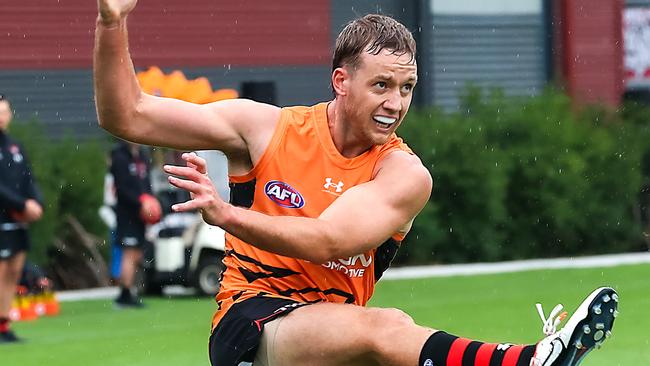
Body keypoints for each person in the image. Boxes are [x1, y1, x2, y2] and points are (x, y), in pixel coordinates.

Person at [93, 1, 619, 365]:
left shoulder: (405, 174)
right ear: (341, 81)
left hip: (336, 337)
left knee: (391, 335)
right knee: (388, 329)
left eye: (408, 87)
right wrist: (110, 22)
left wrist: (228, 215)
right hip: (253, 323)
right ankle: (525, 360)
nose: (396, 103)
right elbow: (128, 115)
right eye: (382, 85)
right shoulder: (265, 128)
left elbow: (330, 240)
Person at [0, 94, 44, 343]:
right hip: (2, 218)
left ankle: (4, 325)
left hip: (19, 221)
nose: (1, 117)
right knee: (1, 271)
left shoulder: (15, 146)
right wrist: (20, 204)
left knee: (13, 272)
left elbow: (29, 179)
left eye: (4, 112)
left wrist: (35, 204)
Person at [109, 140, 161, 308]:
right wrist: (140, 204)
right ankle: (124, 294)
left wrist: (151, 203)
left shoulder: (142, 157)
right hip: (127, 213)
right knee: (129, 253)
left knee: (137, 253)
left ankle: (130, 290)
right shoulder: (120, 157)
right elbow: (122, 189)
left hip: (141, 215)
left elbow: (146, 185)